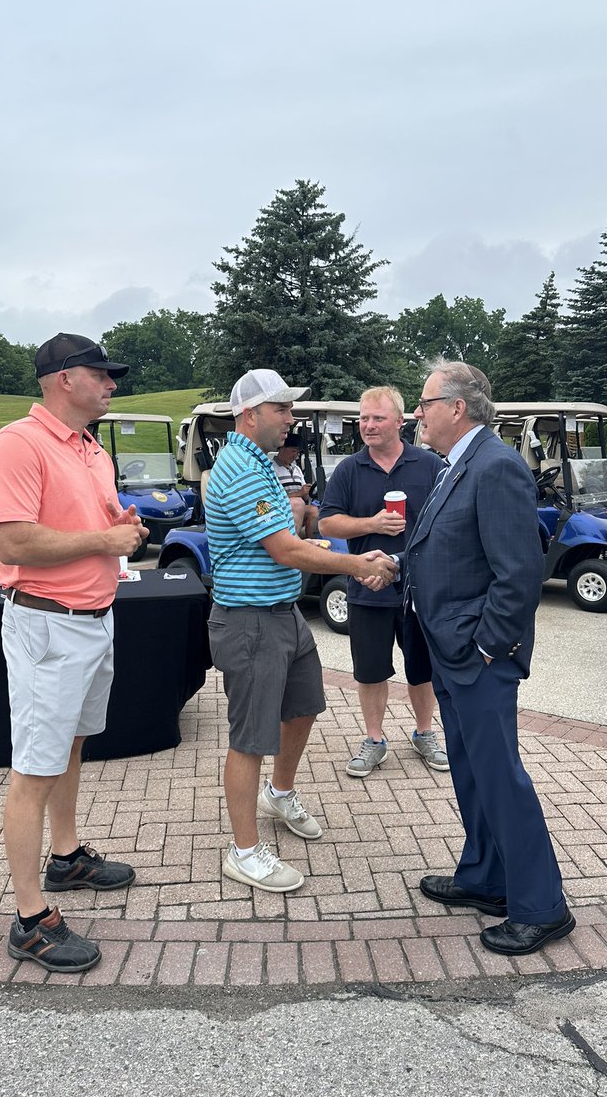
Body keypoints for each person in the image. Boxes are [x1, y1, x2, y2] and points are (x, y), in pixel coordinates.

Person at [0, 332, 149, 974]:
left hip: (92, 619)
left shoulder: (87, 447)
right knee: (35, 767)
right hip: (48, 625)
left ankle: (68, 857)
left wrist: (120, 522)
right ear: (63, 379)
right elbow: (16, 543)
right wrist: (103, 536)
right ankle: (28, 920)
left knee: (72, 743)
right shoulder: (16, 444)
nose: (112, 384)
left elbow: (97, 518)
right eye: (102, 374)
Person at [401, 359, 574, 956]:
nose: (415, 415)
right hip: (449, 650)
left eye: (423, 404)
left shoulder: (495, 466)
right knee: (471, 771)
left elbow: (519, 572)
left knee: (500, 777)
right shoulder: (458, 464)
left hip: (477, 655)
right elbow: (450, 551)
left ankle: (541, 906)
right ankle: (486, 877)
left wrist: (484, 645)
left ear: (457, 408)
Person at [204, 368, 398, 894]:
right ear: (251, 415)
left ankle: (280, 792)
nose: (291, 419)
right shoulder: (240, 469)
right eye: (282, 410)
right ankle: (243, 852)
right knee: (249, 739)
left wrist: (335, 537)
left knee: (305, 706)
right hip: (249, 621)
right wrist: (358, 565)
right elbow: (284, 549)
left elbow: (293, 533)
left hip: (282, 613)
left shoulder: (260, 464)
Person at [317, 385, 448, 777]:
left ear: (400, 421)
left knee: (421, 668)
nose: (368, 426)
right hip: (367, 587)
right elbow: (327, 521)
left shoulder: (429, 466)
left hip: (419, 589)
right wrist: (371, 524)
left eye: (377, 418)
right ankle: (374, 740)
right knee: (370, 671)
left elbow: (446, 522)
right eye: (364, 419)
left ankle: (425, 733)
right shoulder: (349, 469)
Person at [272, 433, 317, 538]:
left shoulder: (296, 469)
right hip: (280, 508)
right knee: (299, 503)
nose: (295, 456)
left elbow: (304, 494)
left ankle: (312, 541)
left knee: (314, 509)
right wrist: (298, 493)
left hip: (299, 508)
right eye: (293, 451)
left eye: (297, 452)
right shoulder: (271, 468)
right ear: (282, 448)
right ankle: (293, 540)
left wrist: (307, 492)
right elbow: (273, 495)